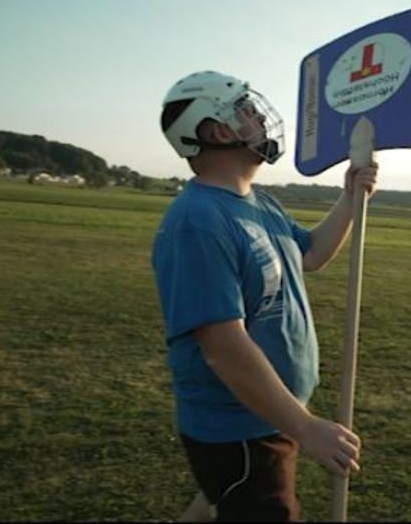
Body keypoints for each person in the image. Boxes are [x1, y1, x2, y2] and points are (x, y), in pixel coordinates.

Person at [151, 70, 378, 521]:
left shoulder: (260, 203)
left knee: (218, 499)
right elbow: (223, 349)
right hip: (239, 428)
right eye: (245, 110)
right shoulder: (198, 223)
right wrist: (305, 427)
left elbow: (309, 254)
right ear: (217, 131)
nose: (258, 117)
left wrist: (350, 198)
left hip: (269, 414)